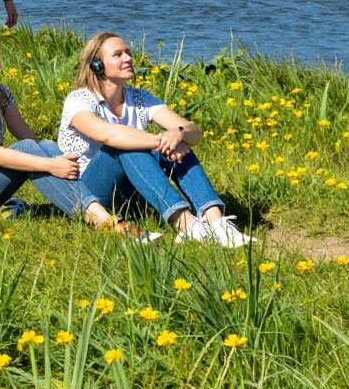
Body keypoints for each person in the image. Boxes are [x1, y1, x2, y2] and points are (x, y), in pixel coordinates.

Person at [0, 24, 136, 232]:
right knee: (31, 150)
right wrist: (50, 165)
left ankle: (94, 211)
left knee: (42, 144)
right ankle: (103, 220)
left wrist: (55, 161)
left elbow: (32, 141)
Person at [58, 33, 251, 247]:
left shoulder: (140, 98)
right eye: (118, 55)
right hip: (89, 195)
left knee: (176, 142)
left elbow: (194, 131)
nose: (128, 58)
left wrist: (178, 135)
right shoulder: (79, 100)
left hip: (130, 194)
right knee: (126, 145)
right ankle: (186, 223)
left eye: (128, 53)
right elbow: (108, 135)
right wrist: (162, 140)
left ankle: (216, 222)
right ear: (97, 65)